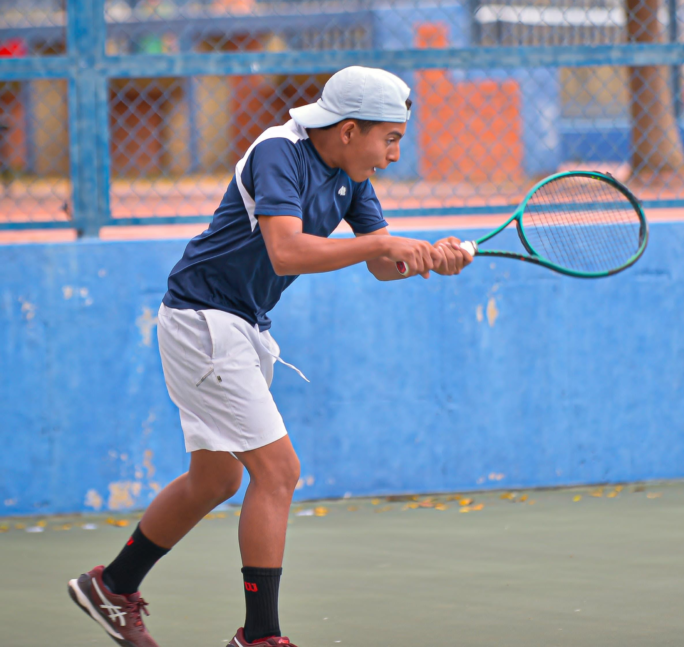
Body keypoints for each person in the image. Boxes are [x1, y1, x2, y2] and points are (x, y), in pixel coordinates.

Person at [67, 66, 472, 647]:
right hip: (205, 318)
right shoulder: (278, 151)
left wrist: (428, 257)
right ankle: (260, 637)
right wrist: (384, 243)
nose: (394, 154)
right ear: (350, 130)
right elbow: (285, 251)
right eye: (390, 139)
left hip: (240, 324)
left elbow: (382, 265)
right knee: (278, 471)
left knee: (215, 479)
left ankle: (111, 586)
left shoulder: (351, 175)